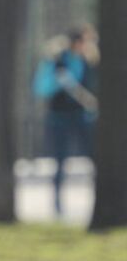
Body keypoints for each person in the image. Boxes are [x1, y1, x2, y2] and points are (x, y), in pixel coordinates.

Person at [33, 24, 99, 215]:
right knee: (60, 162)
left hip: (83, 118)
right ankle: (57, 206)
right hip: (58, 119)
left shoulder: (90, 62)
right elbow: (40, 88)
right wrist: (58, 81)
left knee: (94, 158)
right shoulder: (56, 61)